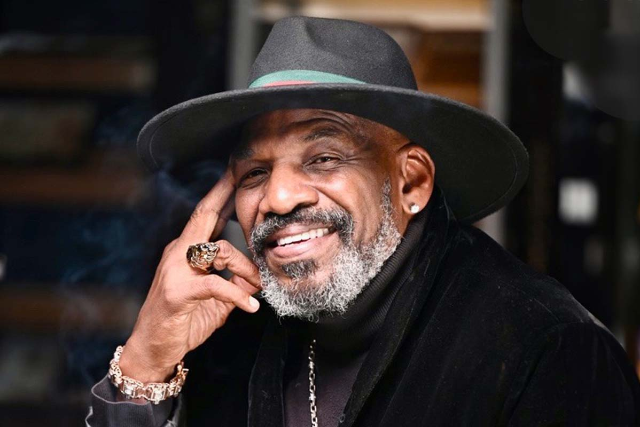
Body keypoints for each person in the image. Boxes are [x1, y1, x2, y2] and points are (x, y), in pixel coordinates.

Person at [86, 16, 640, 427]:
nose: (278, 197)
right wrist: (146, 360)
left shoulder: (545, 350)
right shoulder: (226, 337)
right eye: (254, 172)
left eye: (323, 158)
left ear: (411, 182)